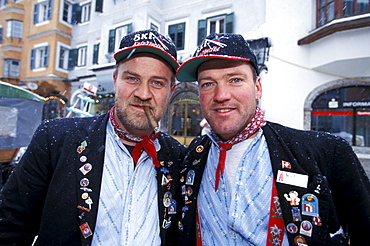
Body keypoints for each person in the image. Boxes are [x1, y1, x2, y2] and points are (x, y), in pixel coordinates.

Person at [175, 33, 370, 246]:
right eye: (208, 84)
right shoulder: (193, 155)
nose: (221, 95)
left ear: (257, 88)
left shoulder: (326, 151)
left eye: (235, 80)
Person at [0, 29, 186, 246]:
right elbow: (9, 228)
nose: (143, 93)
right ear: (116, 80)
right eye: (132, 78)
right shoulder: (56, 139)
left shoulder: (178, 158)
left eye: (157, 83)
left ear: (171, 91)